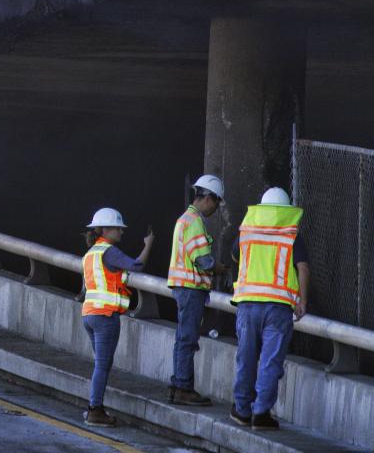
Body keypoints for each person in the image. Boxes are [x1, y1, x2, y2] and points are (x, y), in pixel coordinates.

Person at [230, 187, 310, 430]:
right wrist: (302, 301)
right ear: (285, 208)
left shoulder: (247, 229)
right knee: (270, 361)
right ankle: (261, 413)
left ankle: (242, 410)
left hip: (248, 303)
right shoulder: (291, 231)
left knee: (246, 357)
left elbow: (235, 256)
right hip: (278, 307)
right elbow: (303, 268)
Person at [81, 207, 154, 427]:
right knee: (102, 365)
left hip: (89, 314)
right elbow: (137, 266)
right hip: (105, 317)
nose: (122, 233)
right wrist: (148, 244)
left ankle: (94, 407)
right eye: (118, 229)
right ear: (105, 229)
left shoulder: (91, 253)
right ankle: (95, 410)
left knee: (100, 364)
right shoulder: (109, 252)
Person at [167, 174, 227, 406]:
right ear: (208, 198)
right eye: (217, 202)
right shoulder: (194, 222)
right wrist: (218, 267)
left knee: (183, 338)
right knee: (188, 338)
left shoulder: (185, 219)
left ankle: (178, 385)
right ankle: (183, 387)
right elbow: (203, 261)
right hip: (191, 288)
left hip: (184, 287)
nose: (217, 208)